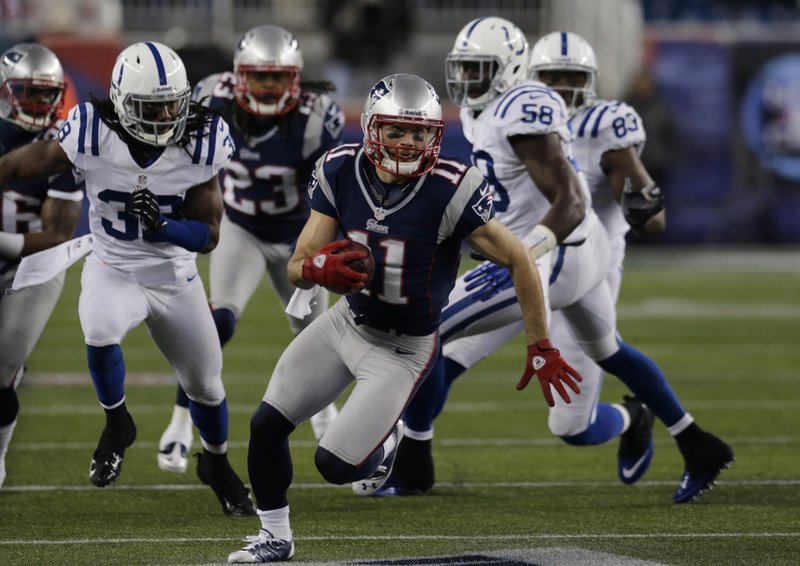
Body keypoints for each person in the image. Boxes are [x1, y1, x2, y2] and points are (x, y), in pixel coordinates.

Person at [226, 73, 580, 563]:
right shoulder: (340, 169)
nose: (409, 142)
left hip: (403, 349)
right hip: (347, 323)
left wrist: (540, 343)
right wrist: (315, 268)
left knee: (335, 466)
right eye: (396, 131)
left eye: (419, 133)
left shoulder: (450, 188)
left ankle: (384, 441)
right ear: (372, 128)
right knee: (266, 425)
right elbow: (297, 266)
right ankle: (275, 536)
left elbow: (519, 257)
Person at [378, 19, 734, 504]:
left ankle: (412, 460)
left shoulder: (545, 112)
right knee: (589, 389)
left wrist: (527, 256)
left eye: (478, 69)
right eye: (463, 69)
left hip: (559, 253)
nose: (560, 88)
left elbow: (575, 199)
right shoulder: (490, 111)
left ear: (509, 71)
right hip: (566, 250)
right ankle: (693, 440)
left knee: (425, 328)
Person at [0, 41, 256, 516]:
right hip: (113, 265)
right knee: (98, 328)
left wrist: (165, 227)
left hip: (174, 276)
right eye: (150, 107)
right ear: (120, 101)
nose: (163, 117)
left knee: (207, 385)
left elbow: (210, 235)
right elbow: (16, 166)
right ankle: (118, 423)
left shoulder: (200, 141)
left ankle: (217, 464)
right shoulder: (91, 132)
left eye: (171, 105)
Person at [156, 25, 345, 475]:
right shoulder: (210, 101)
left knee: (317, 337)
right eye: (258, 76)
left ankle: (326, 417)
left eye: (277, 78)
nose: (267, 86)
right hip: (239, 228)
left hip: (300, 234)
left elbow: (335, 190)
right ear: (239, 75)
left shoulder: (316, 117)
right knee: (216, 323)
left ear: (295, 79)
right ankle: (180, 422)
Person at [0, 43, 83, 489]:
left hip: (34, 265)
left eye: (45, 93)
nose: (38, 103)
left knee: (0, 371)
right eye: (27, 92)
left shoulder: (63, 144)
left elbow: (57, 235)